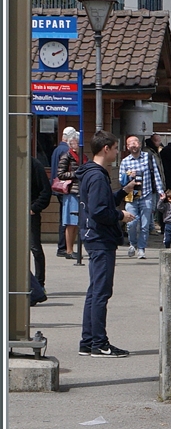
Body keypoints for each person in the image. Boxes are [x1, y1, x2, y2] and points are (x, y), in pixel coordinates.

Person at [78, 130, 136, 358]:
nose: (116, 152)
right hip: (100, 238)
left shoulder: (90, 174)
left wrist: (122, 191)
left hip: (92, 236)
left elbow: (100, 202)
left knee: (94, 291)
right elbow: (100, 210)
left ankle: (88, 341)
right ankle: (99, 344)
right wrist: (120, 216)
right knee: (101, 292)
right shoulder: (98, 175)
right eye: (114, 148)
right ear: (106, 149)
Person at [119, 134, 163, 259]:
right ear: (127, 147)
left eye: (135, 142)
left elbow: (156, 175)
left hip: (146, 195)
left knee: (145, 224)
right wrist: (128, 176)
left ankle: (142, 248)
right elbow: (121, 180)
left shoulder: (148, 157)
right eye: (130, 143)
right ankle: (133, 244)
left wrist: (160, 191)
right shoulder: (125, 161)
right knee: (132, 223)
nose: (133, 145)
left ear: (139, 144)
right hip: (131, 197)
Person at [55, 138, 82, 259]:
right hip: (71, 191)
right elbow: (60, 174)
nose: (79, 145)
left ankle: (72, 249)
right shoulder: (67, 156)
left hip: (79, 192)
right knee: (70, 222)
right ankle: (69, 250)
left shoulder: (82, 156)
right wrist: (76, 174)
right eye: (77, 143)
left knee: (75, 223)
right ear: (71, 145)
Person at [51, 127, 76, 256]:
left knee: (63, 218)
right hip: (65, 187)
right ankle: (63, 247)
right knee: (66, 220)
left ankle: (63, 247)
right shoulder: (66, 151)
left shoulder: (56, 150)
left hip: (57, 187)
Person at [30, 154, 51, 303]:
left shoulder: (34, 164)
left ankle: (39, 284)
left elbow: (46, 191)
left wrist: (34, 208)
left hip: (30, 214)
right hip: (11, 214)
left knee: (35, 247)